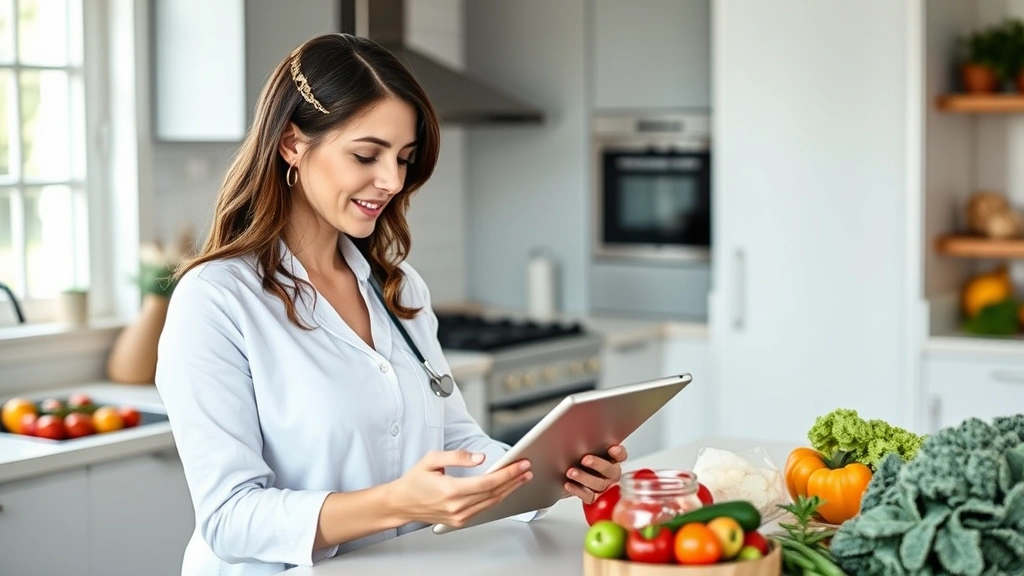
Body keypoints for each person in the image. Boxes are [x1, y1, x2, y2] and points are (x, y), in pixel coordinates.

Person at [155, 33, 628, 576]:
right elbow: (229, 518)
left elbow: (457, 442)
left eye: (403, 158)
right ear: (291, 143)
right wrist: (400, 502)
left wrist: (546, 472)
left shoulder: (397, 288)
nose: (391, 181)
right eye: (366, 154)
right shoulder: (216, 301)